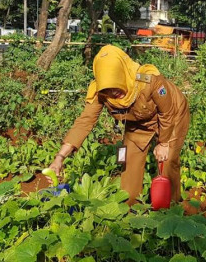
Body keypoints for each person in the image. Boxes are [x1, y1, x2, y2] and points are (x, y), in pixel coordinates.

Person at [46, 45, 190, 205]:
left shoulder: (148, 81)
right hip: (139, 121)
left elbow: (167, 112)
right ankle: (130, 209)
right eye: (108, 89)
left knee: (167, 160)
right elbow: (84, 121)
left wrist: (163, 143)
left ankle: (171, 209)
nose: (113, 93)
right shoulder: (99, 91)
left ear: (123, 73)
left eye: (116, 84)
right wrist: (60, 158)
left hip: (172, 115)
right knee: (129, 162)